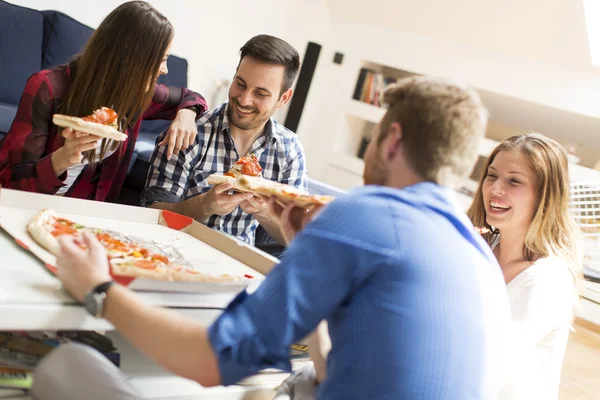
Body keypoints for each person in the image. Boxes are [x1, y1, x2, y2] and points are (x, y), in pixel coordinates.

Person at [49, 76, 511, 400]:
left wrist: (99, 289)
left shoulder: (363, 212)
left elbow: (211, 362)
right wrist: (308, 264)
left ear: (391, 141)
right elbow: (338, 371)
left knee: (69, 364)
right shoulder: (481, 258)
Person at [0, 1, 206, 202]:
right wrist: (62, 158)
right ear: (131, 59)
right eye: (161, 59)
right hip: (29, 206)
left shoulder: (136, 96)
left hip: (90, 217)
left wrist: (186, 114)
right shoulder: (47, 87)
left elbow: (190, 97)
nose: (165, 70)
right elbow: (10, 183)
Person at [141, 34, 307, 245]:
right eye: (240, 84)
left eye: (261, 93)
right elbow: (151, 214)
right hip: (173, 249)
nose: (244, 99)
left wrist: (263, 211)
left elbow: (296, 238)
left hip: (240, 267)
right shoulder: (190, 132)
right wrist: (205, 205)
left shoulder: (290, 151)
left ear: (283, 98)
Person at [467, 133, 583, 399]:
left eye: (514, 181)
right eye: (492, 175)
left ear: (544, 196)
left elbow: (487, 371)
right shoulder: (481, 251)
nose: (496, 189)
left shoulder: (547, 279)